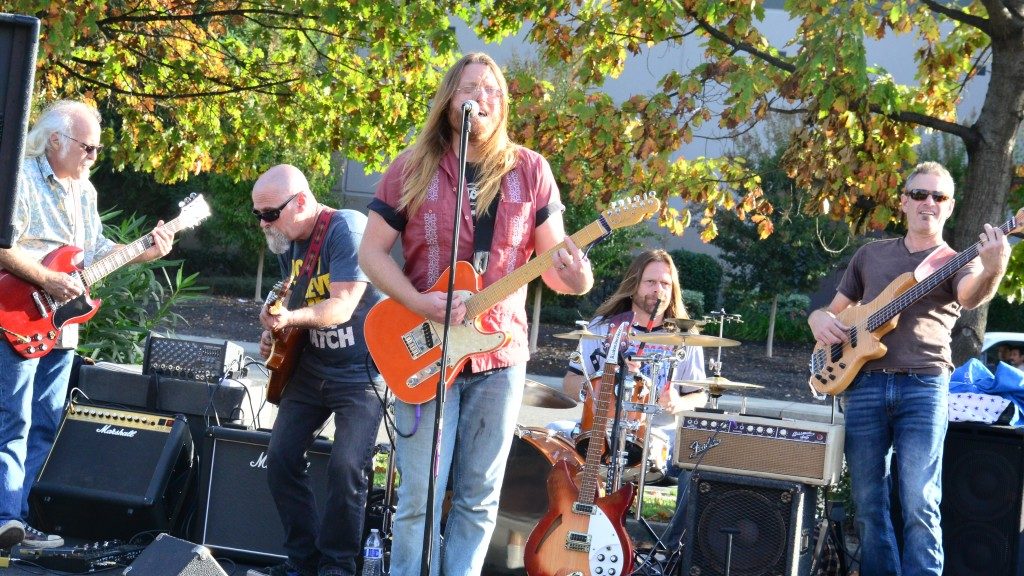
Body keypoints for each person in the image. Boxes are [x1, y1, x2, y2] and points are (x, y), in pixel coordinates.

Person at [358, 52, 594, 576]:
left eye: (491, 90)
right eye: (469, 89)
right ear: (449, 101)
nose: (480, 99)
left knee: (479, 495)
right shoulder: (411, 166)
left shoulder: (531, 170)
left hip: (500, 352)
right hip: (425, 345)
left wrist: (577, 275)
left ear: (503, 103)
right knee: (419, 494)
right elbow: (372, 253)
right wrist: (418, 302)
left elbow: (556, 266)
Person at [808, 161, 1010, 575]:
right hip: (862, 384)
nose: (928, 203)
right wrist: (816, 320)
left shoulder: (958, 261)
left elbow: (972, 297)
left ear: (950, 207)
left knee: (920, 500)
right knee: (867, 502)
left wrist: (994, 266)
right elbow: (835, 313)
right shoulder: (870, 254)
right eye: (919, 194)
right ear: (904, 201)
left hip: (924, 385)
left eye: (938, 196)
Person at [0, 100, 174, 549]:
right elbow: (2, 247)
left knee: (44, 424)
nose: (94, 157)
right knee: (12, 420)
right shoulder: (20, 178)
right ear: (56, 140)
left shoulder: (85, 193)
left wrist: (145, 251)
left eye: (97, 149)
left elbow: (95, 253)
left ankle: (20, 523)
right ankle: (3, 518)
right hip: (17, 315)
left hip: (62, 327)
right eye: (89, 148)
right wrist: (46, 279)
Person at [248, 165, 384, 576]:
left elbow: (340, 307)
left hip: (361, 372)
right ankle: (302, 563)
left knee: (347, 467)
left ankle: (338, 567)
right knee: (281, 459)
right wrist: (275, 329)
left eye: (270, 214)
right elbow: (290, 305)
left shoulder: (348, 229)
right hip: (310, 369)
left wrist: (289, 320)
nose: (263, 224)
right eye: (259, 215)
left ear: (301, 201)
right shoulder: (290, 242)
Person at [557, 249, 707, 549]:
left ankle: (671, 552)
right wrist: (595, 385)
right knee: (549, 438)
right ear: (634, 284)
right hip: (598, 432)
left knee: (702, 462)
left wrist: (678, 401)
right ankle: (556, 534)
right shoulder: (602, 328)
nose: (658, 290)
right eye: (651, 282)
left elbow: (700, 395)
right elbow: (570, 383)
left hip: (657, 438)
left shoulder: (684, 337)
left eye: (665, 284)